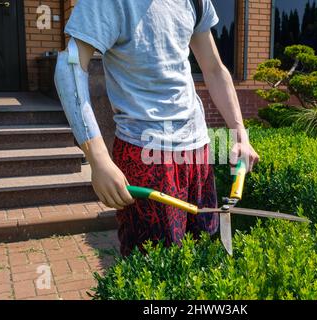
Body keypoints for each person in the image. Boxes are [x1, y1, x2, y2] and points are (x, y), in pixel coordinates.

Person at [54, 0, 259, 256]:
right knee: (155, 264)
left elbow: (214, 69)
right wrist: (98, 160)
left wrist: (240, 133)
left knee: (203, 253)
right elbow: (70, 67)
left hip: (198, 148)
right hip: (145, 153)